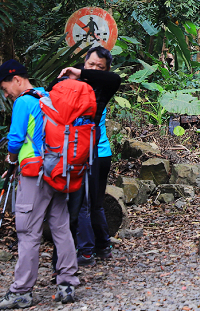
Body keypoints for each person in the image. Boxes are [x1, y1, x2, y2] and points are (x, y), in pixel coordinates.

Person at [0, 59, 79, 309]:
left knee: (28, 232)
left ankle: (21, 291)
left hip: (34, 174)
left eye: (4, 86)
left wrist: (11, 160)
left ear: (16, 79)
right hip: (58, 171)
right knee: (61, 227)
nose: (4, 92)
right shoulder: (48, 96)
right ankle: (67, 285)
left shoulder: (23, 101)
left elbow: (16, 140)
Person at [71, 46, 118, 266]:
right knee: (94, 204)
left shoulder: (102, 85)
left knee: (85, 204)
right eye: (90, 64)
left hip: (96, 153)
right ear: (84, 61)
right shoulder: (78, 84)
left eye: (100, 66)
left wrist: (81, 73)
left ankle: (87, 250)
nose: (94, 68)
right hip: (92, 152)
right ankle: (102, 246)